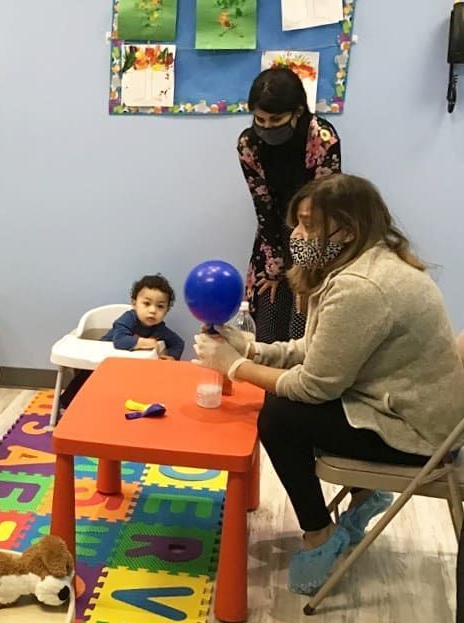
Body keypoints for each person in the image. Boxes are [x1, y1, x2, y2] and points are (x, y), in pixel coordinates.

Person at [193, 173, 464, 594]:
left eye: (309, 225)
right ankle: (364, 492)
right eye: (297, 224)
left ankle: (319, 535)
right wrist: (251, 349)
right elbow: (317, 349)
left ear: (347, 229)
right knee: (282, 403)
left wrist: (233, 367)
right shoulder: (361, 263)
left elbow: (314, 387)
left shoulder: (361, 287)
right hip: (400, 406)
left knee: (280, 417)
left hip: (419, 436)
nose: (296, 235)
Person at [239, 66, 341, 343]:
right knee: (268, 326)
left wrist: (308, 271)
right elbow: (263, 207)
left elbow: (324, 208)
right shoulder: (249, 144)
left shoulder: (321, 138)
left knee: (303, 327)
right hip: (273, 238)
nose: (267, 127)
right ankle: (268, 388)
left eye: (276, 119)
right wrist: (274, 268)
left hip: (316, 236)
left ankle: (296, 388)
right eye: (259, 119)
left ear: (297, 111)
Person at [59, 273, 185, 409]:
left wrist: (172, 358)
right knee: (86, 375)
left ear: (166, 311)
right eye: (147, 303)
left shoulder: (160, 329)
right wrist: (144, 342)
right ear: (135, 303)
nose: (153, 310)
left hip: (124, 367)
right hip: (100, 359)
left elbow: (178, 343)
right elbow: (119, 341)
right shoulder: (127, 319)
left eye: (160, 306)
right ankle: (65, 402)